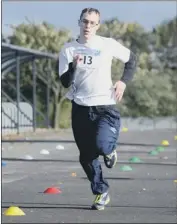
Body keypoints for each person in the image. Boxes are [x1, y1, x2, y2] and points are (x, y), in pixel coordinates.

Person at [58, 7, 137, 210]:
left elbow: (131, 60)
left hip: (105, 106)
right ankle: (101, 192)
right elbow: (65, 82)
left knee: (102, 146)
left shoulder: (107, 44)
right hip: (81, 107)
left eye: (93, 23)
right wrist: (74, 67)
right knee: (86, 156)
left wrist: (123, 82)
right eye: (85, 21)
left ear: (98, 25)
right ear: (80, 22)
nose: (88, 26)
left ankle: (109, 151)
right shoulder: (68, 49)